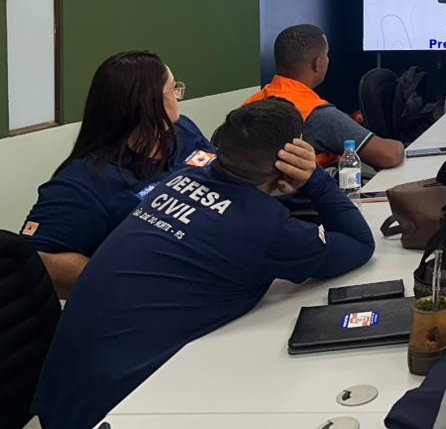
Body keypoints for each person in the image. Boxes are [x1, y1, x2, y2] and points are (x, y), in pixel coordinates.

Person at [30, 99, 375, 429]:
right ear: (291, 156)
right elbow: (360, 242)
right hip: (118, 407)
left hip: (66, 392)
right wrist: (314, 178)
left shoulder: (177, 181)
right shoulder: (264, 227)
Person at [20, 50, 216, 298]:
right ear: (148, 104)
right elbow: (38, 258)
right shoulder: (82, 184)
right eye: (173, 89)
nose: (178, 95)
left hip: (214, 264)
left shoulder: (182, 131)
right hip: (155, 297)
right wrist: (129, 280)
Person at [244, 24, 404, 169]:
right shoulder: (319, 115)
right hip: (313, 191)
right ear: (318, 63)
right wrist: (401, 145)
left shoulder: (251, 104)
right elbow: (390, 155)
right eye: (326, 55)